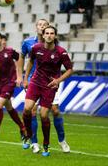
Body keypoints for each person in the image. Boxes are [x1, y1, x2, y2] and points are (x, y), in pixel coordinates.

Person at [16, 19, 71, 154]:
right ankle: (32, 140)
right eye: (41, 26)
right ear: (38, 29)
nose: (48, 33)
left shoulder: (59, 50)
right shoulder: (30, 44)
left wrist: (58, 80)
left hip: (51, 83)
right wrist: (23, 77)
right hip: (35, 81)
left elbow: (69, 69)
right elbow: (25, 59)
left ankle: (61, 140)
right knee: (29, 110)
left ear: (54, 34)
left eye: (50, 31)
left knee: (53, 111)